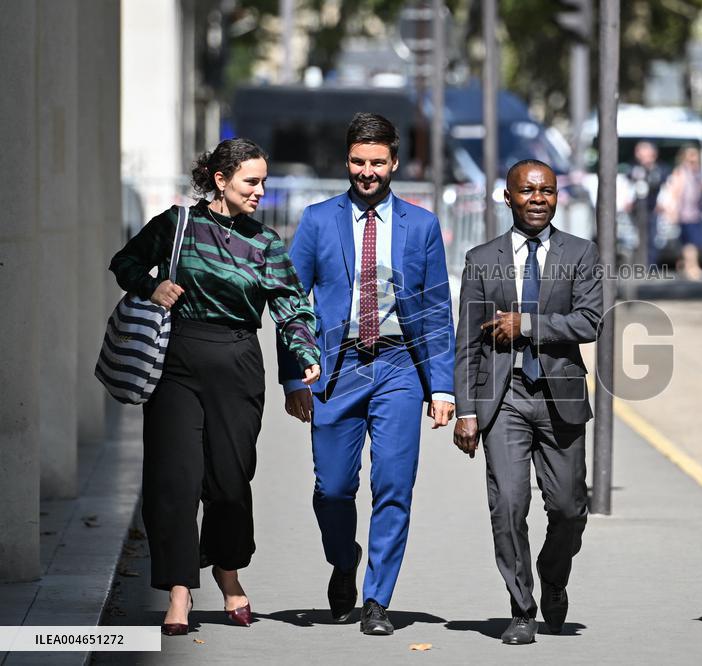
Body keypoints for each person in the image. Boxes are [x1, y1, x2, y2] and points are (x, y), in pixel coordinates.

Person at [108, 138, 321, 635]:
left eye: (265, 182)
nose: (261, 192)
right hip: (177, 362)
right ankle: (179, 594)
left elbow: (292, 304)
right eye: (253, 181)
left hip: (238, 364)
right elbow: (126, 262)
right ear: (221, 180)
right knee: (175, 484)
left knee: (229, 484)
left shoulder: (266, 243)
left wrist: (306, 351)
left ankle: (228, 572)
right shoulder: (177, 224)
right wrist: (152, 285)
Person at [278, 113, 455, 636]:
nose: (367, 172)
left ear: (394, 162)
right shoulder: (316, 220)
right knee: (332, 488)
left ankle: (378, 599)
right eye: (358, 161)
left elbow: (436, 311)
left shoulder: (420, 226)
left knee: (393, 485)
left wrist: (441, 385)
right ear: (347, 160)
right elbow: (292, 303)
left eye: (377, 162)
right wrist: (293, 378)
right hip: (337, 368)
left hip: (399, 365)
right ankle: (343, 558)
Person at [453, 159, 603, 645]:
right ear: (507, 196)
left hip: (560, 396)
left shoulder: (580, 253)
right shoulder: (482, 258)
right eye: (528, 191)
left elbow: (590, 322)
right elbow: (467, 343)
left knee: (567, 509)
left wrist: (529, 326)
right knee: (508, 505)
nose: (538, 199)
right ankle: (521, 607)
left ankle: (553, 574)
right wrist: (467, 409)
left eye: (548, 191)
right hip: (506, 398)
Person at [658, 145, 702, 279]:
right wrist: (673, 211)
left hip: (695, 213)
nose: (694, 159)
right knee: (690, 243)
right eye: (691, 155)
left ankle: (685, 265)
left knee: (692, 242)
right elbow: (675, 193)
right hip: (685, 213)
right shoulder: (681, 172)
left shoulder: (697, 172)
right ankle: (692, 267)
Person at [626, 141, 668, 266]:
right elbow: (628, 186)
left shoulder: (660, 169)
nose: (639, 154)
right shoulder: (633, 168)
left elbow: (666, 187)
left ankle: (650, 265)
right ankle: (638, 263)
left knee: (652, 237)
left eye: (643, 151)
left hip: (653, 208)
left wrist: (662, 203)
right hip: (637, 209)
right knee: (635, 238)